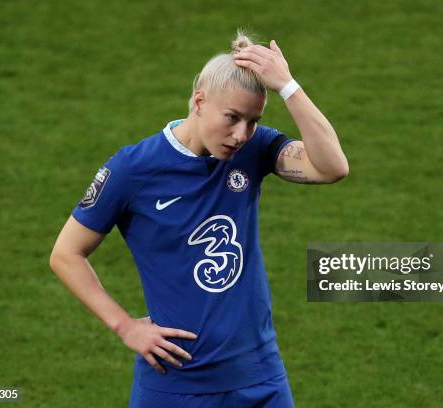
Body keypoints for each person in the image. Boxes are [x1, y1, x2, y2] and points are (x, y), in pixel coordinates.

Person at [49, 30, 348, 407]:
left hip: (260, 380)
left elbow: (332, 167)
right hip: (175, 386)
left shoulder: (255, 149)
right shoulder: (133, 169)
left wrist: (288, 87)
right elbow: (65, 254)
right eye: (232, 117)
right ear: (200, 101)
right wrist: (124, 326)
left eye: (253, 121)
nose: (241, 134)